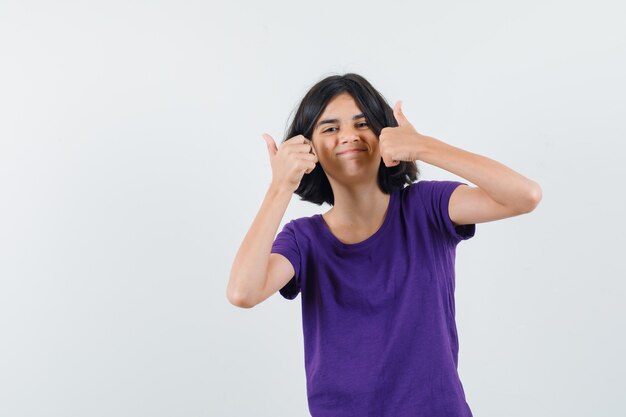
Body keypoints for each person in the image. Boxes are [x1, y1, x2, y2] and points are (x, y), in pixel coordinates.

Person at [226, 73, 542, 416]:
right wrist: (280, 187)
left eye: (363, 123)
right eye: (330, 128)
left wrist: (422, 146)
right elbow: (243, 292)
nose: (349, 136)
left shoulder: (427, 207)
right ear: (309, 149)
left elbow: (525, 196)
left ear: (383, 133)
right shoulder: (304, 240)